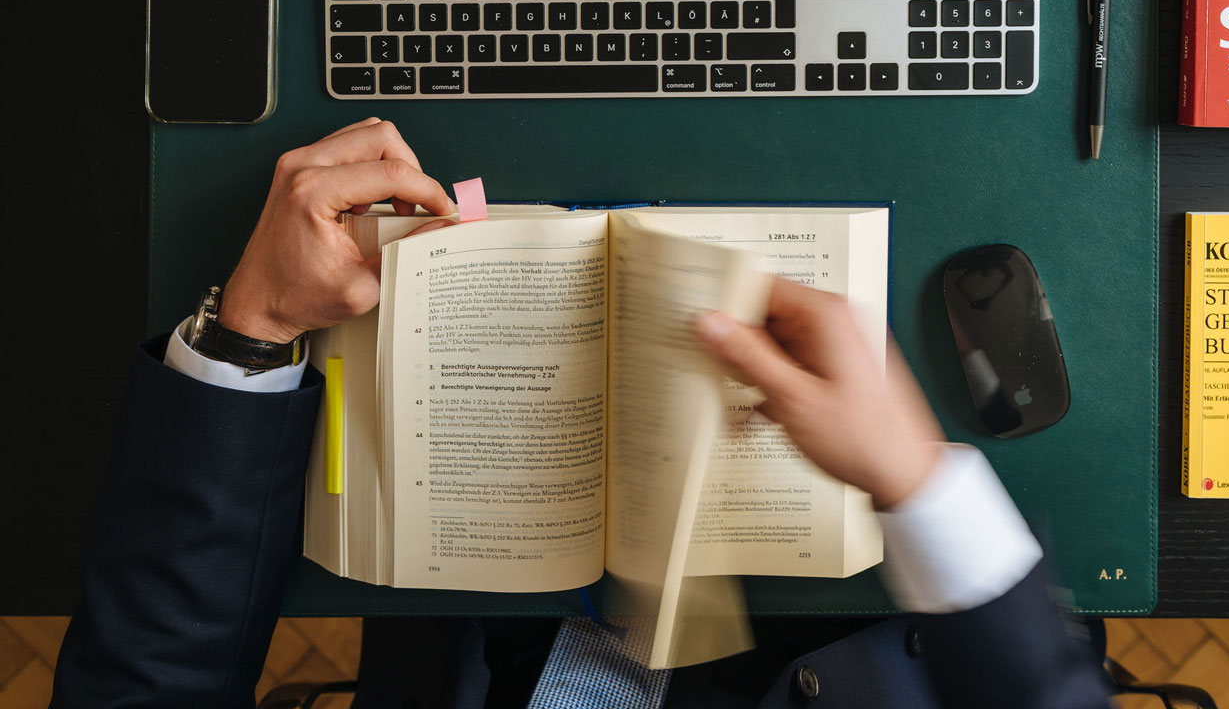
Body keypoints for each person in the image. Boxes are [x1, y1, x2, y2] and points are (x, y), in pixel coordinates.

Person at [50, 119, 1114, 708]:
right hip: (855, 639)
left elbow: (140, 693)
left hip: (482, 627)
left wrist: (250, 333)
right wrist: (916, 483)